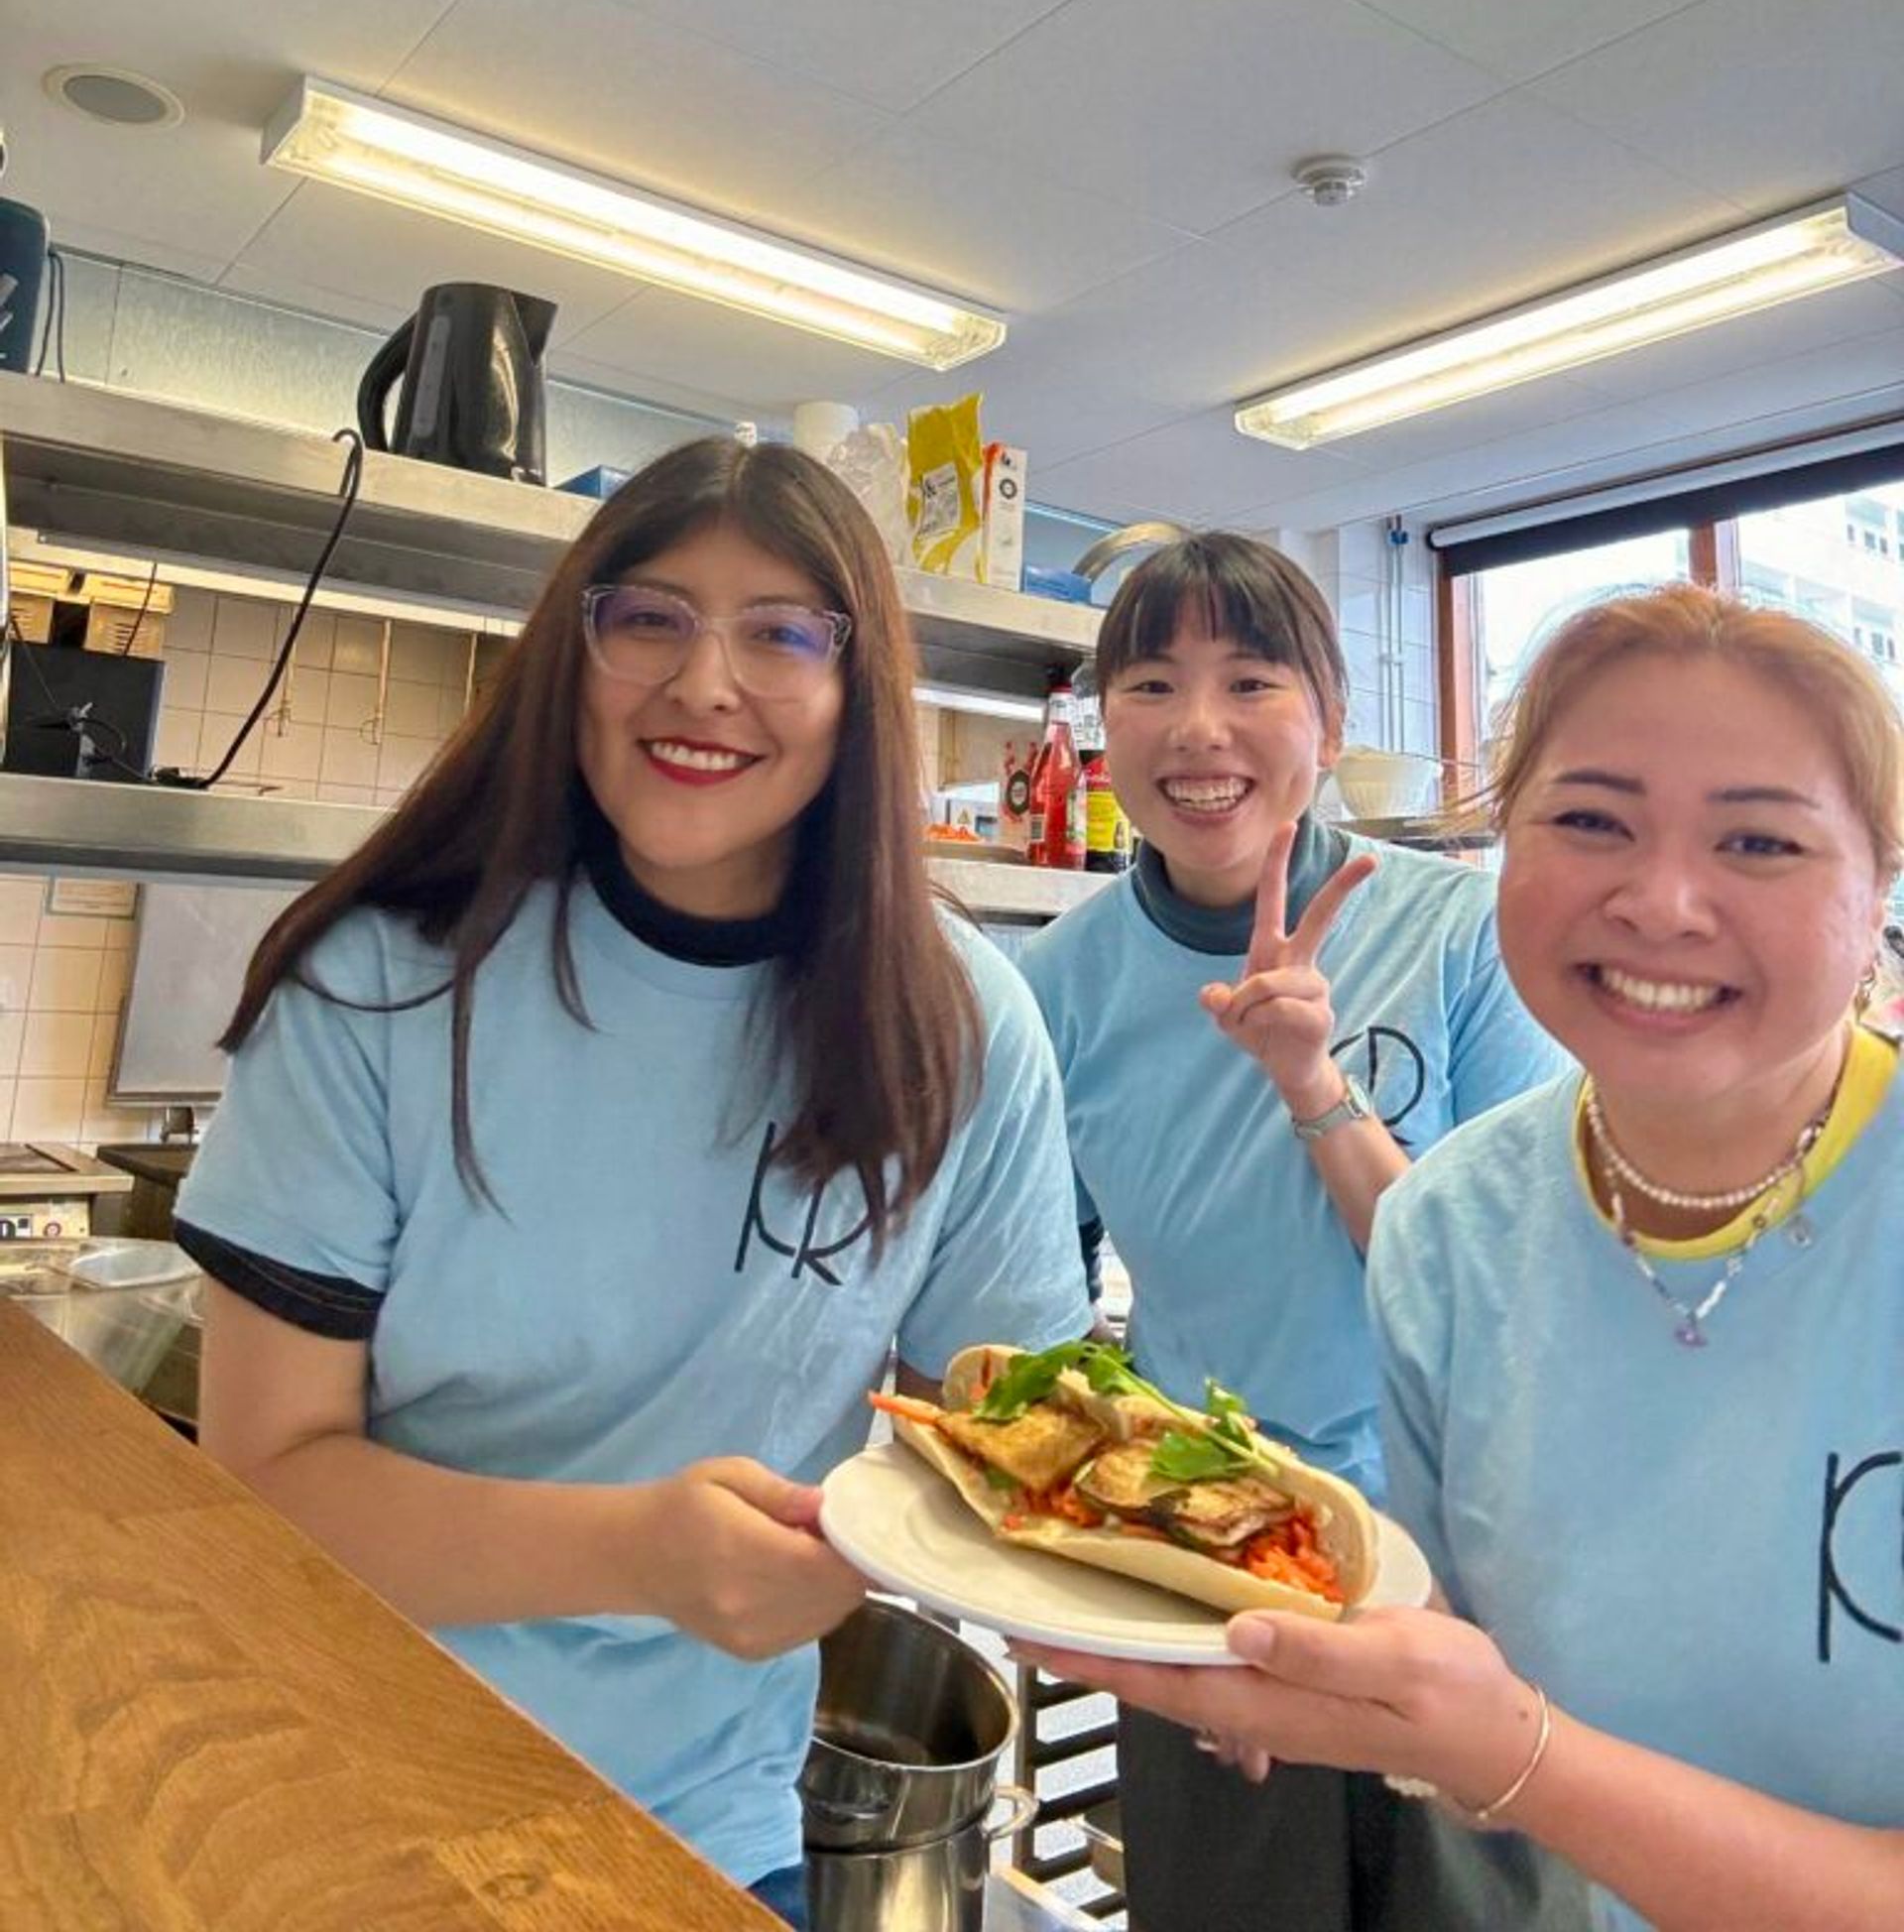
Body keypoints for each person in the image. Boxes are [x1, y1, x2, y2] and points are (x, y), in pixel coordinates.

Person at [174, 435, 1091, 1928]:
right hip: (341, 1773)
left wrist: (1199, 1603)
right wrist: (637, 1555)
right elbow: (264, 1483)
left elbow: (1007, 1433)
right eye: (648, 617)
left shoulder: (960, 1021)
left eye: (782, 632)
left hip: (709, 1828)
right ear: (571, 655)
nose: (704, 683)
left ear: (858, 694)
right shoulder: (389, 985)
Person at [1031, 584, 1904, 1932]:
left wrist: (1514, 1756)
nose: (1664, 902)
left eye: (1761, 841)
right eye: (1591, 821)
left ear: (1881, 879)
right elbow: (1454, 1633)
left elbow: (1503, 1737)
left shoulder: (1429, 956)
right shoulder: (1455, 1236)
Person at [1017, 531, 1576, 1932]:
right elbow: (1043, 1345)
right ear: (1104, 727)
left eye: (1251, 679)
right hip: (1211, 1563)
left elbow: (1502, 1299)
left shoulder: (1463, 932)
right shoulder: (1058, 987)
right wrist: (1185, 1611)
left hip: (1465, 1583)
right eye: (1150, 684)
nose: (1198, 730)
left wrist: (1312, 1085)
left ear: (1325, 719)